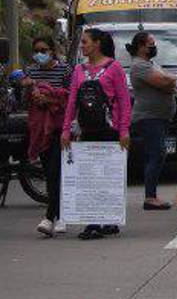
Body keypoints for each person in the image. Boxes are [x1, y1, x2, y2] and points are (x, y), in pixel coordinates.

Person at [61, 28, 131, 241]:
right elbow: (72, 101)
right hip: (87, 129)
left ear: (97, 43)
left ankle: (108, 219)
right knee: (89, 176)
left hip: (109, 130)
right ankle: (93, 221)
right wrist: (66, 130)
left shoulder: (115, 68)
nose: (82, 46)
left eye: (84, 42)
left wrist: (124, 129)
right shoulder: (79, 70)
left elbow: (124, 100)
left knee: (108, 175)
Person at [126, 31, 177, 211]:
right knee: (156, 154)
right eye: (151, 44)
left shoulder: (150, 63)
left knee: (157, 154)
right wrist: (172, 80)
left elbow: (169, 82)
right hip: (149, 117)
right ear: (140, 46)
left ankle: (151, 195)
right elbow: (164, 82)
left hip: (160, 117)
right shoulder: (139, 66)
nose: (154, 47)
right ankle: (150, 197)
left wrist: (170, 81)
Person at [24, 37, 69, 237]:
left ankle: (51, 216)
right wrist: (30, 90)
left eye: (44, 49)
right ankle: (58, 215)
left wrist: (50, 97)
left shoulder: (65, 70)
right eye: (36, 50)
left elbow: (69, 96)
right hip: (41, 129)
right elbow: (24, 98)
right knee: (50, 172)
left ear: (52, 51)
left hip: (60, 127)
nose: (40, 54)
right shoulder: (31, 71)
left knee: (55, 171)